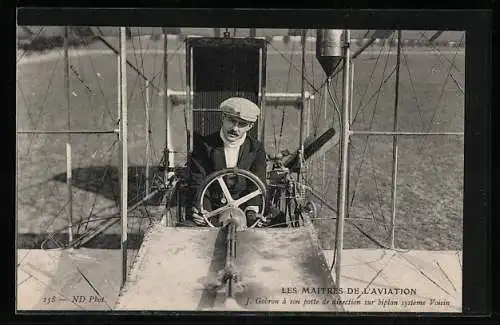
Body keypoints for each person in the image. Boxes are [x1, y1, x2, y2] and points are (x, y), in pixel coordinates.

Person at [184, 97, 269, 227]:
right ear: (223, 118)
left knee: (279, 227)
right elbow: (198, 180)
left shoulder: (256, 149)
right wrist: (203, 211)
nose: (235, 128)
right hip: (211, 208)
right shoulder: (204, 145)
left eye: (241, 124)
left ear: (250, 126)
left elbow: (257, 183)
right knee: (185, 231)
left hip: (244, 211)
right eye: (231, 121)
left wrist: (252, 212)